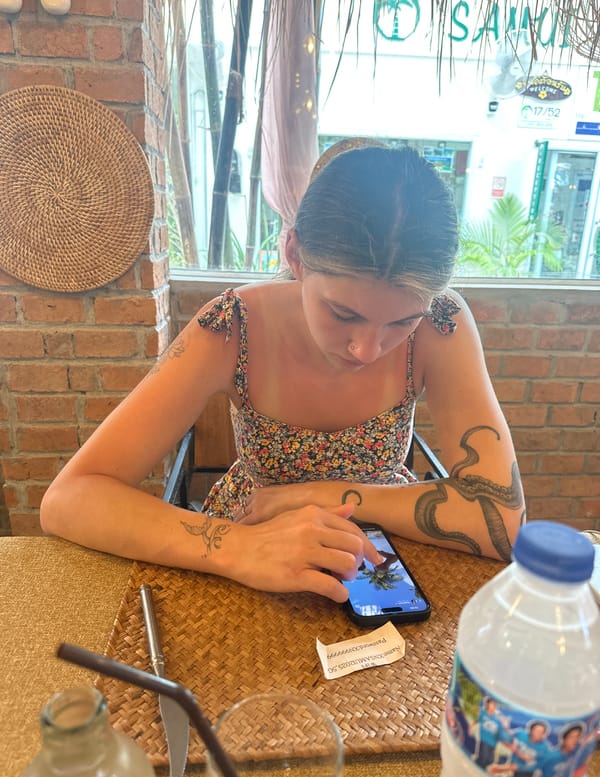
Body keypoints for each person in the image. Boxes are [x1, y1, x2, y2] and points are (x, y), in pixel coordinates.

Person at [40, 142, 526, 603]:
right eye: (343, 313)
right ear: (294, 255)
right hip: (253, 541)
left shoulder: (442, 322)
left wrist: (320, 496)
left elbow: (503, 519)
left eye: (402, 321)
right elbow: (70, 498)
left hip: (383, 549)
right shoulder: (231, 326)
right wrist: (240, 548)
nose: (367, 349)